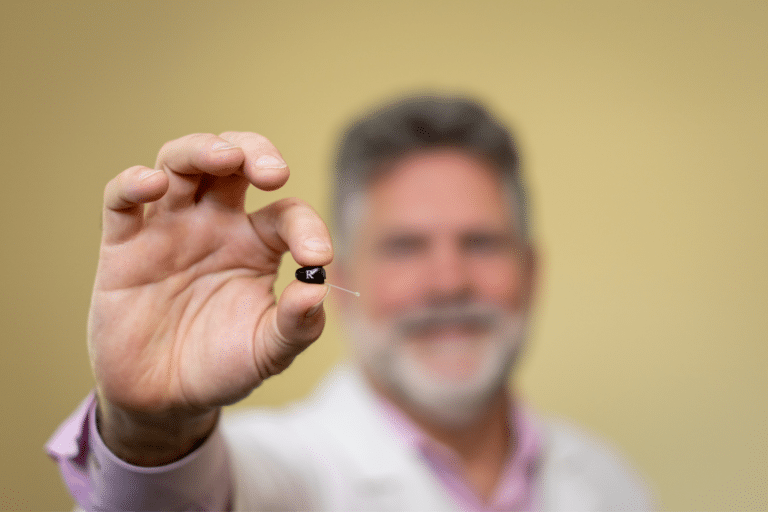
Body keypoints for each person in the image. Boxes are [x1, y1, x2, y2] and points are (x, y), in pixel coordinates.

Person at [47, 95, 654, 511]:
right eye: (405, 247)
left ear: (531, 271)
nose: (448, 281)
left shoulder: (607, 480)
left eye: (481, 242)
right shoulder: (274, 472)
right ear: (341, 280)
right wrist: (153, 429)